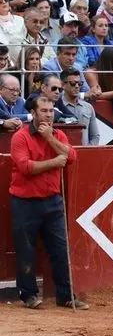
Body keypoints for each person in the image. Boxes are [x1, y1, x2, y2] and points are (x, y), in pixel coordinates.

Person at [9, 95, 87, 310]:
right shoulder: (20, 136)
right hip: (25, 202)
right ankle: (28, 295)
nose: (48, 115)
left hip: (52, 200)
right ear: (33, 113)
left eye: (51, 111)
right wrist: (54, 162)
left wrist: (50, 138)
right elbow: (26, 168)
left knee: (61, 250)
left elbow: (72, 157)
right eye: (44, 111)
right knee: (26, 250)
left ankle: (66, 295)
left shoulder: (58, 134)